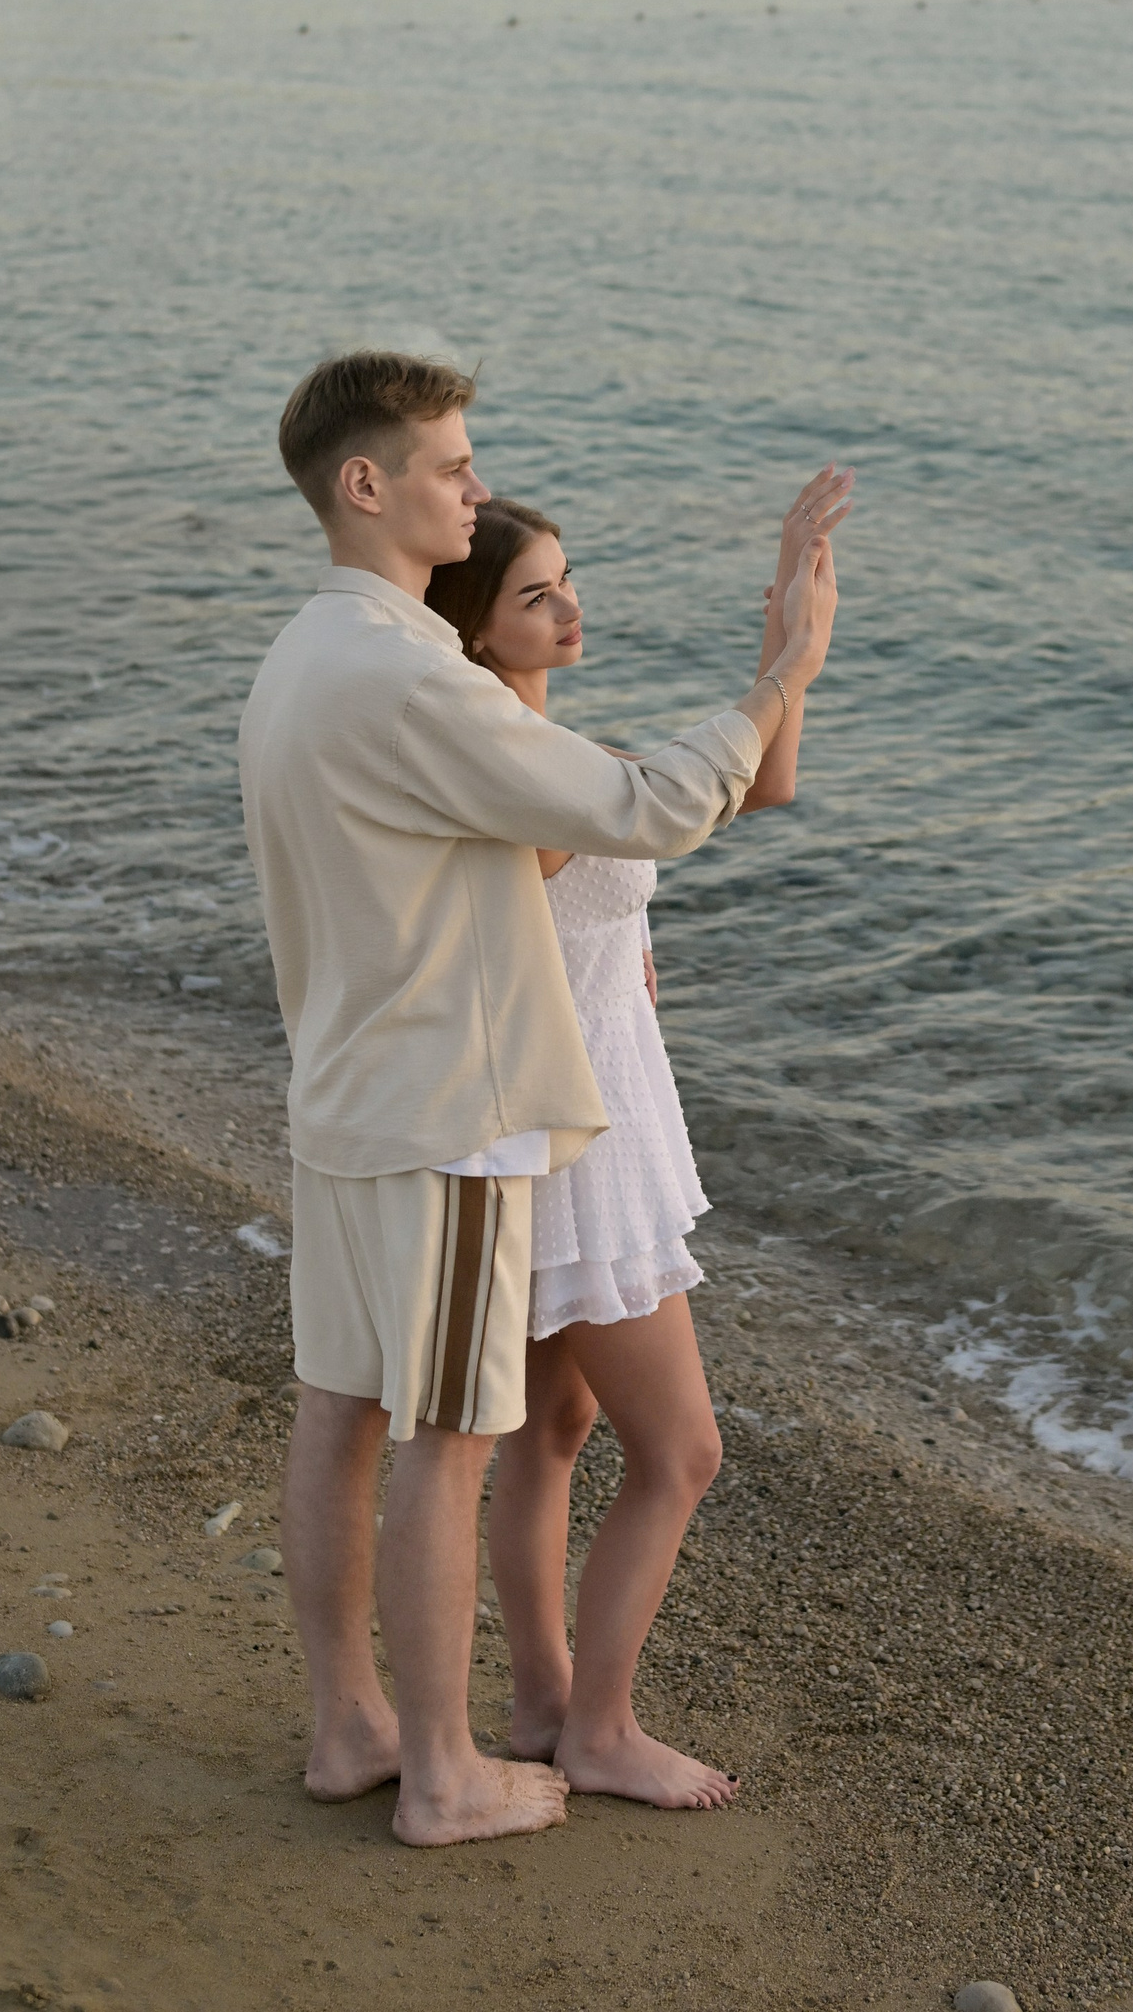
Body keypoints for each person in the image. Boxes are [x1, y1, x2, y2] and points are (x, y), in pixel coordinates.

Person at [237, 352, 838, 1848]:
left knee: (347, 1408)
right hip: (447, 1112)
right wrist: (784, 669)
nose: (476, 484)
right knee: (451, 1436)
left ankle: (353, 1726)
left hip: (348, 1090)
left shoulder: (305, 654)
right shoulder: (409, 677)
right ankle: (444, 1772)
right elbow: (641, 807)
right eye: (451, 464)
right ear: (365, 484)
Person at [426, 466, 851, 1811]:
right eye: (536, 595)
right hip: (582, 1139)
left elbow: (759, 786)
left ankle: (545, 1699)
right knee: (681, 1452)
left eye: (568, 581)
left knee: (553, 1427)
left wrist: (786, 630)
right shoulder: (518, 774)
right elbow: (634, 816)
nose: (569, 607)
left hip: (579, 1118)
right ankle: (601, 1728)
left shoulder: (549, 757)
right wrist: (784, 665)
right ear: (475, 629)